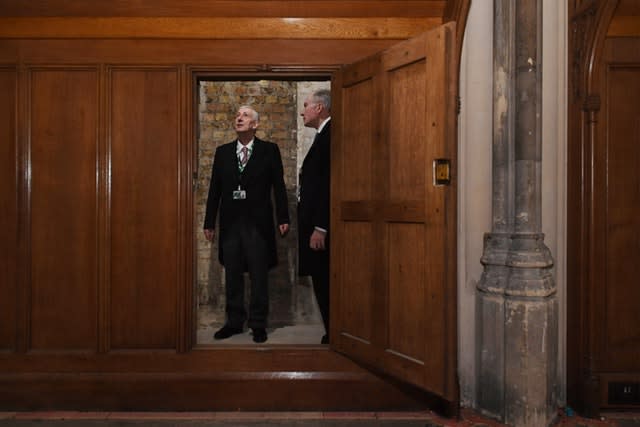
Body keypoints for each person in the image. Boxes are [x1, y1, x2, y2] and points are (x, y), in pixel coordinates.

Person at [204, 105, 290, 343]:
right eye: (237, 115)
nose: (239, 118)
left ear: (255, 124)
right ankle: (233, 322)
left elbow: (279, 187)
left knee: (259, 275)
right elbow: (215, 190)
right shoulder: (222, 152)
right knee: (232, 274)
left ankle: (258, 323)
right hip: (231, 224)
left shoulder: (269, 151)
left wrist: (283, 217)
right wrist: (209, 221)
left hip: (258, 224)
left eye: (245, 116)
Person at [298, 89, 331, 344]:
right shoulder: (323, 135)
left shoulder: (330, 136)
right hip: (314, 222)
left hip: (321, 226)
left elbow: (328, 185)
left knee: (324, 279)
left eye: (306, 105)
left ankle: (334, 333)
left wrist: (321, 227)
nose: (302, 111)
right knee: (320, 278)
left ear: (319, 108)